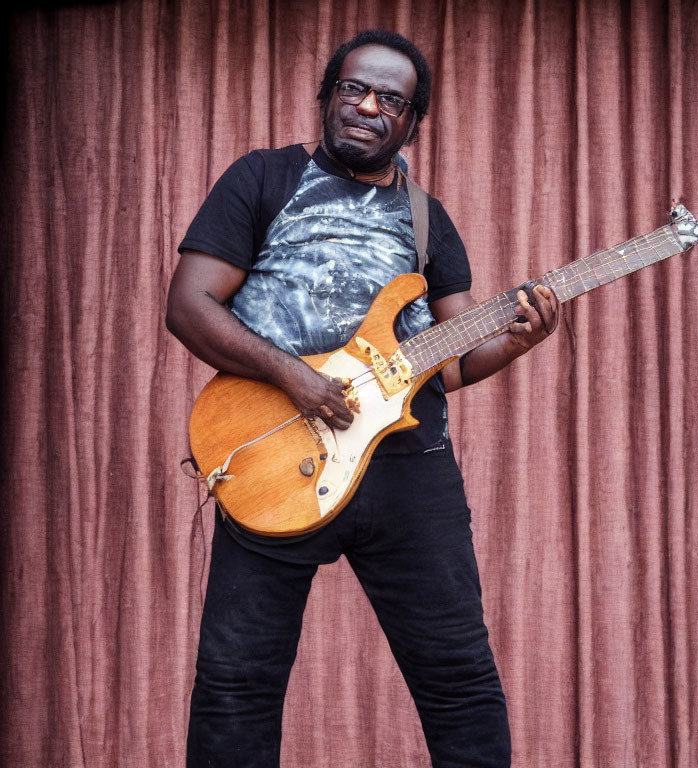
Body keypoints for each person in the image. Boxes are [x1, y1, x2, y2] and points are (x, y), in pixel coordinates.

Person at [167, 29, 559, 768]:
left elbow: (450, 362)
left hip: (410, 469)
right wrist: (294, 377)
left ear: (411, 121)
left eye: (391, 100)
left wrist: (518, 340)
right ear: (327, 97)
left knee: (460, 682)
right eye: (353, 90)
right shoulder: (263, 180)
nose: (368, 108)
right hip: (277, 449)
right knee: (236, 686)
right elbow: (190, 306)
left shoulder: (426, 219)